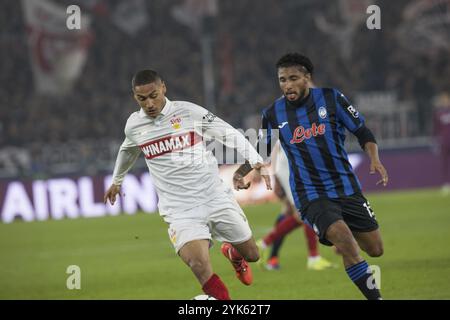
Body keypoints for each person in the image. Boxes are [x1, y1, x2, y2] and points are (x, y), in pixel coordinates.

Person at [103, 70, 271, 300]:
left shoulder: (188, 112)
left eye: (154, 95)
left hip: (214, 196)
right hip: (180, 209)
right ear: (135, 97)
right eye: (142, 99)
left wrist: (256, 160)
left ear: (164, 88)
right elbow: (127, 150)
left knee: (252, 254)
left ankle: (233, 252)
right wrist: (117, 180)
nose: (150, 103)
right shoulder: (134, 125)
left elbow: (228, 134)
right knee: (198, 264)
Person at [233, 53, 388, 300]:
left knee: (375, 249)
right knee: (346, 242)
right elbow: (261, 150)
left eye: (293, 78)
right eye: (282, 80)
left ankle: (345, 246)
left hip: (346, 187)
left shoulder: (332, 98)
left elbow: (362, 131)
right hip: (311, 194)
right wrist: (241, 173)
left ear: (307, 78)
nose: (287, 85)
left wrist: (375, 158)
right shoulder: (273, 113)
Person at [257, 141, 336, 271]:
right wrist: (276, 175)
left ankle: (266, 247)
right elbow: (277, 142)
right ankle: (313, 258)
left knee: (297, 213)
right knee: (305, 212)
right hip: (289, 167)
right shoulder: (291, 122)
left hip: (293, 166)